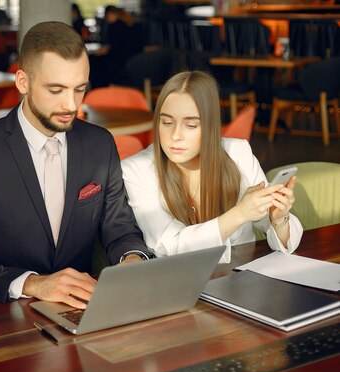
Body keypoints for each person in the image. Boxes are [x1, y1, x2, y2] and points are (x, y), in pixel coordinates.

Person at [0, 21, 152, 310]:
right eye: (56, 90)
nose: (71, 105)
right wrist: (33, 283)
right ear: (23, 82)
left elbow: (120, 229)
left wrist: (133, 260)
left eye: (80, 89)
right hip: (3, 319)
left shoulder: (100, 145)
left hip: (83, 313)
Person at [121, 71, 303, 263]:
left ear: (210, 125)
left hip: (239, 279)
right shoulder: (137, 169)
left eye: (191, 125)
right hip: (177, 283)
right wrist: (239, 214)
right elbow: (169, 245)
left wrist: (278, 219)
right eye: (166, 123)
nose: (175, 135)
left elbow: (281, 238)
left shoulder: (238, 153)